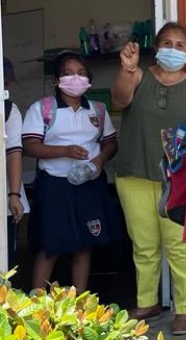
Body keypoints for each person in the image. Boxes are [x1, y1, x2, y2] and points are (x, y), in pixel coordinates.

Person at [112, 21, 186, 335]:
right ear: (156, 48)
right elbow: (119, 99)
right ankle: (148, 302)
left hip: (179, 180)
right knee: (143, 245)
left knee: (181, 246)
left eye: (180, 46)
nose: (172, 50)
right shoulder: (139, 77)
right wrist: (127, 71)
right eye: (167, 44)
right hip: (134, 174)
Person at [22, 52, 121, 292]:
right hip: (55, 185)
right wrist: (64, 150)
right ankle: (36, 306)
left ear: (88, 79)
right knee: (50, 246)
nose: (74, 78)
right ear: (57, 80)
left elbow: (111, 142)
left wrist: (101, 159)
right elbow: (30, 146)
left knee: (84, 244)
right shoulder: (44, 108)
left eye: (80, 73)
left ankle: (79, 305)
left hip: (88, 184)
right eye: (67, 73)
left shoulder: (97, 110)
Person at [3, 57, 29, 269]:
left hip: (3, 197)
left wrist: (14, 195)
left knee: (4, 260)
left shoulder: (9, 111)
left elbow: (14, 153)